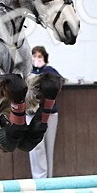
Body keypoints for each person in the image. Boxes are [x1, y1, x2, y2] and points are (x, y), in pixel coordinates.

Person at [26, 45, 61, 179]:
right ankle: (39, 179)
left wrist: (40, 70)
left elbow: (55, 82)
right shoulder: (27, 72)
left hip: (50, 114)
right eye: (34, 56)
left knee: (49, 147)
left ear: (45, 58)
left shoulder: (50, 71)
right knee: (36, 148)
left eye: (39, 56)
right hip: (31, 113)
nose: (37, 59)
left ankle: (49, 179)